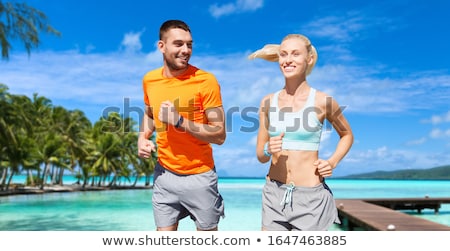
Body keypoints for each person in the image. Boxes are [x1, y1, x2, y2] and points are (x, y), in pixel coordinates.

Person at [248, 34, 354, 231]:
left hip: (310, 199)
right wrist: (268, 148)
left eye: (295, 54)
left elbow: (347, 135)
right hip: (274, 194)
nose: (288, 60)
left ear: (309, 59)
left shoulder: (324, 101)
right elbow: (260, 156)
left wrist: (332, 162)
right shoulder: (267, 102)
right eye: (283, 54)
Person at [137, 20, 226, 231]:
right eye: (178, 44)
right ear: (162, 46)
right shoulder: (150, 80)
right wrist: (143, 137)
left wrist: (179, 121)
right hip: (164, 175)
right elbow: (150, 113)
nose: (185, 50)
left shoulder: (205, 81)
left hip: (200, 176)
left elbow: (220, 134)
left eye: (189, 45)